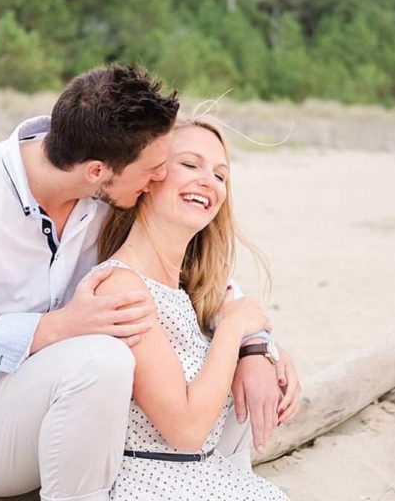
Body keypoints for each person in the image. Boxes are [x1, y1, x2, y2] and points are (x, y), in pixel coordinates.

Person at [0, 64, 300, 501]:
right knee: (100, 357)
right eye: (154, 169)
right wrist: (55, 327)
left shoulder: (110, 192)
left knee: (123, 358)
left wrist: (256, 345)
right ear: (96, 171)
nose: (158, 178)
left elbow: (202, 280)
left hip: (80, 422)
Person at [90, 118, 291, 499]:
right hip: (153, 484)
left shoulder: (188, 291)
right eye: (190, 164)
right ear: (149, 176)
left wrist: (261, 351)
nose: (209, 182)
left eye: (220, 175)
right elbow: (185, 431)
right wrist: (233, 332)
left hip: (205, 476)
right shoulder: (121, 285)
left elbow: (239, 316)